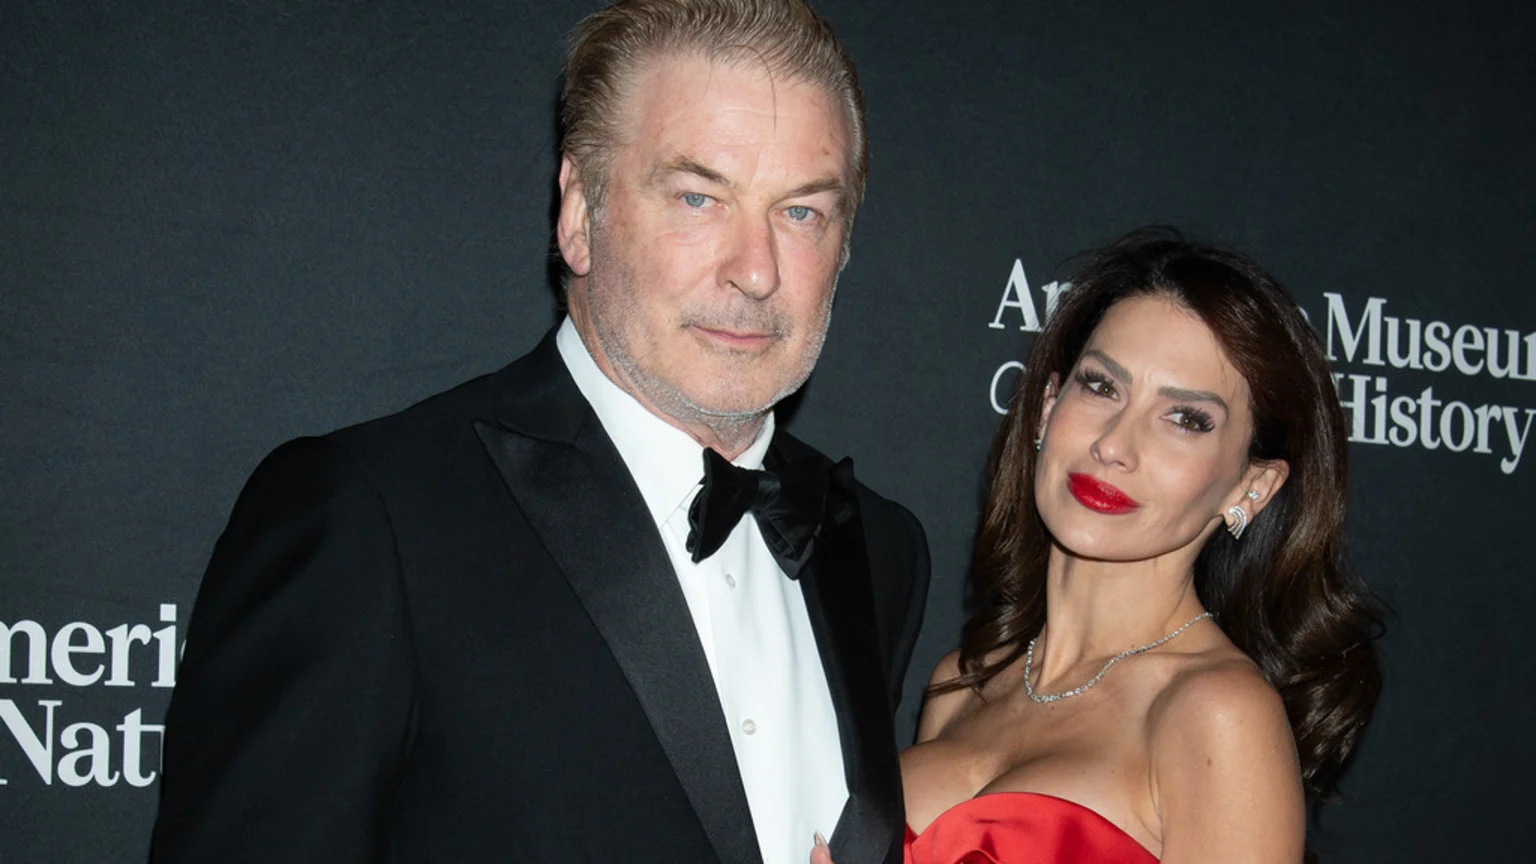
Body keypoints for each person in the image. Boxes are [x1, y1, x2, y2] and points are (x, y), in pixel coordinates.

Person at [148, 2, 929, 863]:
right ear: (579, 214)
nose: (756, 270)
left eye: (802, 212)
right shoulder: (374, 517)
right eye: (699, 197)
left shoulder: (876, 548)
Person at [865, 229, 1381, 863]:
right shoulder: (961, 683)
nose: (1114, 444)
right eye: (1101, 386)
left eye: (1185, 419)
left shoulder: (1218, 712)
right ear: (1047, 405)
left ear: (1253, 485)